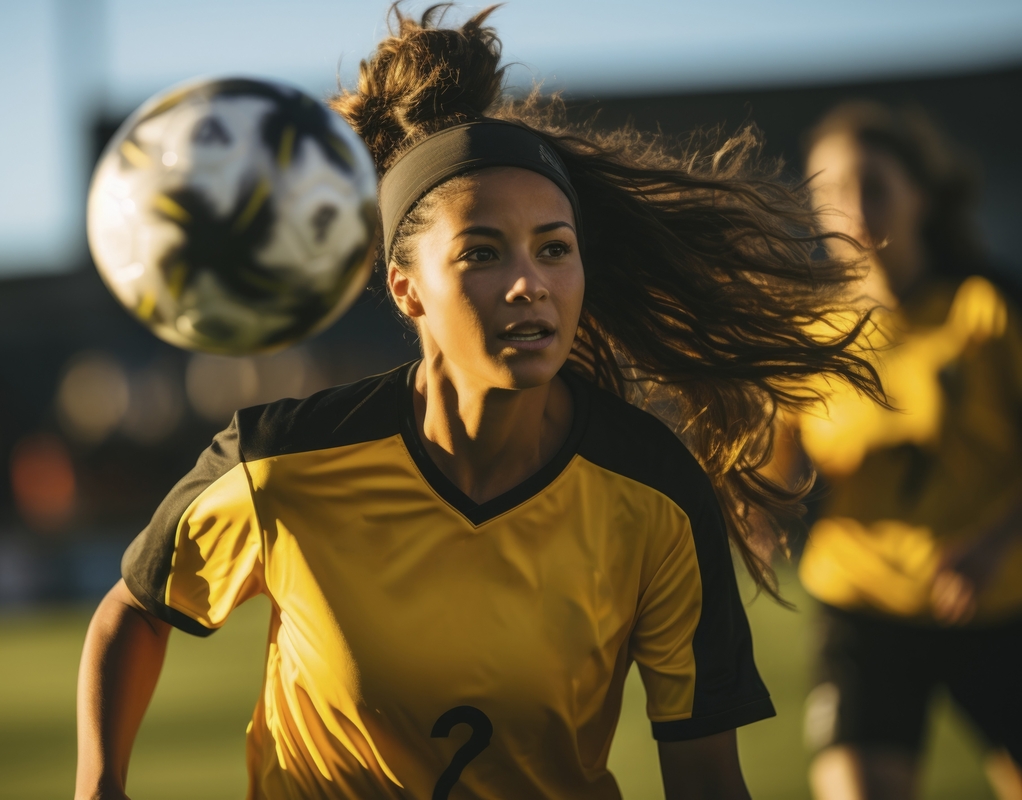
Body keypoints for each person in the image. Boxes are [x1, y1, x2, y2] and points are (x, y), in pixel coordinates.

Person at [74, 7, 880, 799]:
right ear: (406, 289)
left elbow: (705, 778)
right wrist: (99, 783)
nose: (531, 283)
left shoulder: (655, 493)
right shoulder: (278, 463)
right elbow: (136, 609)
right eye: (482, 253)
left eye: (555, 249)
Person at [793, 101, 1022, 800]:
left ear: (920, 194)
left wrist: (994, 544)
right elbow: (774, 476)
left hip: (995, 601)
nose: (854, 208)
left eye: (873, 185)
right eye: (832, 190)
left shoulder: (986, 307)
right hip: (862, 604)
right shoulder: (807, 336)